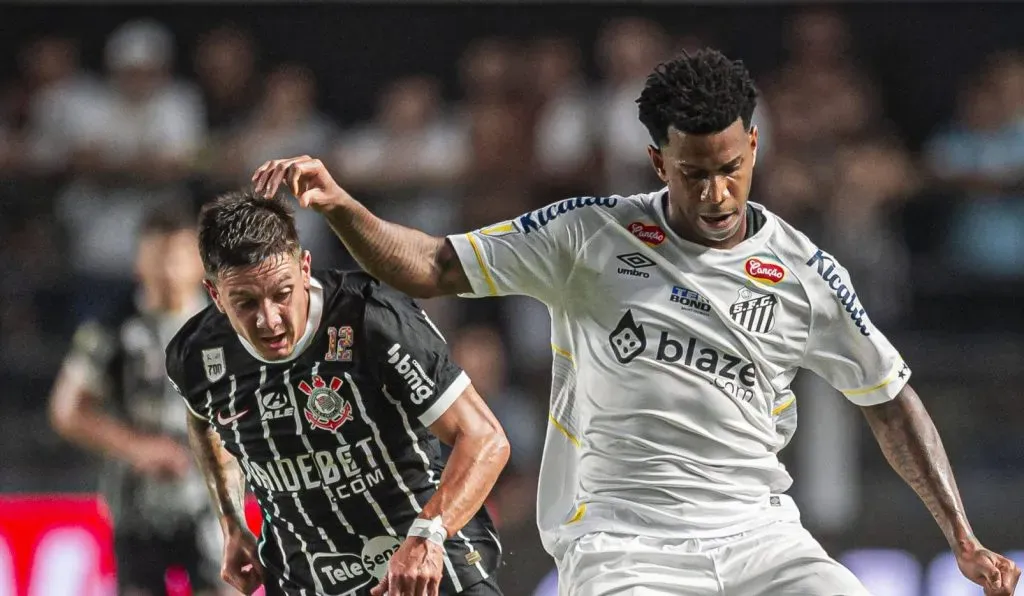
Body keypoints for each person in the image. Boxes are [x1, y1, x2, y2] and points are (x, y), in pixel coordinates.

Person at [250, 48, 1022, 596]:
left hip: (761, 537)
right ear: (659, 163)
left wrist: (961, 537)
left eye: (731, 169)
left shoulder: (805, 272)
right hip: (622, 543)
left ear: (754, 145)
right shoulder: (589, 235)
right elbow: (432, 265)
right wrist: (346, 210)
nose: (717, 194)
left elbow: (890, 398)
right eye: (694, 175)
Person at [165, 191, 508, 596]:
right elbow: (203, 417)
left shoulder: (372, 320)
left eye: (282, 293)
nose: (269, 319)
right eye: (246, 302)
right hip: (307, 580)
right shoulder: (197, 355)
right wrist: (231, 520)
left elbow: (485, 438)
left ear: (304, 265)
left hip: (426, 569)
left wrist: (427, 535)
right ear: (215, 294)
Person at [49, 201, 229, 596]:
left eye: (178, 256)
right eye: (158, 257)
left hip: (211, 501)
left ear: (200, 263)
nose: (168, 270)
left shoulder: (225, 327)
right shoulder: (112, 328)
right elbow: (67, 409)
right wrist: (136, 447)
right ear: (138, 263)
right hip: (137, 505)